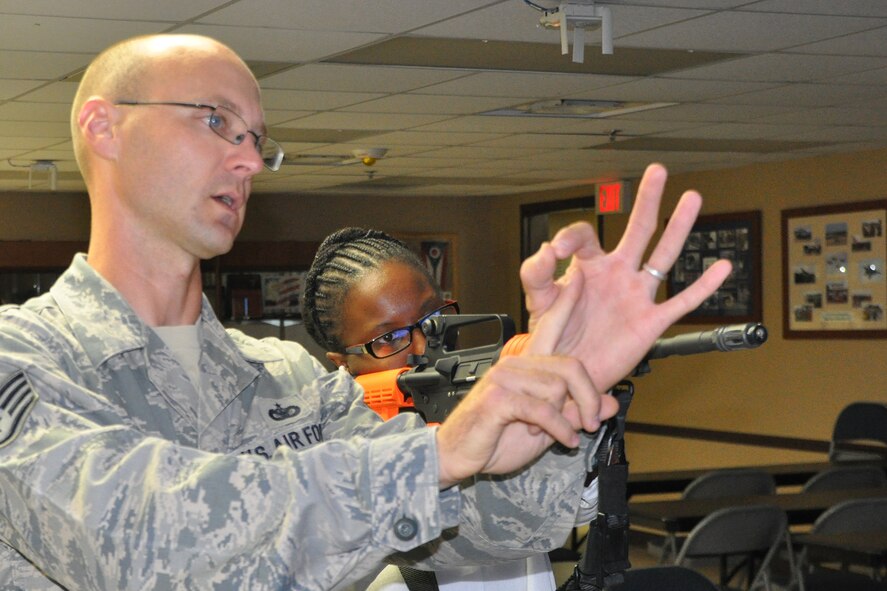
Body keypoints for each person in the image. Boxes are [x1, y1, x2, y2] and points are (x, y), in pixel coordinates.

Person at [0, 32, 731, 591]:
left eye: (256, 140)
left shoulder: (290, 379)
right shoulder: (24, 359)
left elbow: (480, 534)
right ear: (104, 127)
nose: (248, 160)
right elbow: (145, 544)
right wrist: (438, 454)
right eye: (216, 121)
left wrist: (553, 407)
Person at [303, 227, 579, 590]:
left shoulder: (477, 400)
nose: (422, 346)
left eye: (433, 318)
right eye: (389, 337)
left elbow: (575, 507)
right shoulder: (329, 457)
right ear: (343, 363)